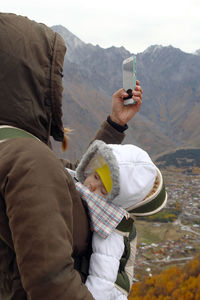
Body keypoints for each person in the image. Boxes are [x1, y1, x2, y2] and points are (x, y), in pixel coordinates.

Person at [0, 13, 144, 300]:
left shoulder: (12, 148)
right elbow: (54, 284)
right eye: (57, 76)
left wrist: (115, 124)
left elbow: (76, 180)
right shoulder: (30, 159)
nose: (61, 88)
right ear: (30, 78)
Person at [67, 140, 167, 300]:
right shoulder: (79, 187)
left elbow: (102, 279)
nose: (92, 186)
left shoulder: (110, 227)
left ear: (116, 200)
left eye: (103, 190)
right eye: (96, 176)